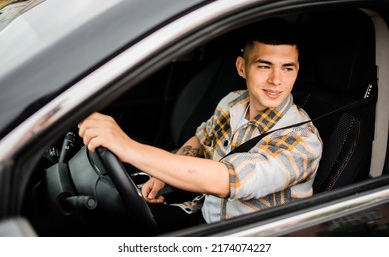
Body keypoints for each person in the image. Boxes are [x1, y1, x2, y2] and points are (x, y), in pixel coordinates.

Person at [78, 18, 322, 231]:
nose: (276, 80)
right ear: (241, 67)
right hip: (200, 213)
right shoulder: (232, 103)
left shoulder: (302, 139)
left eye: (286, 68)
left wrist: (127, 148)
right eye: (264, 66)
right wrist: (162, 177)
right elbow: (202, 139)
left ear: (296, 70)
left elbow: (227, 179)